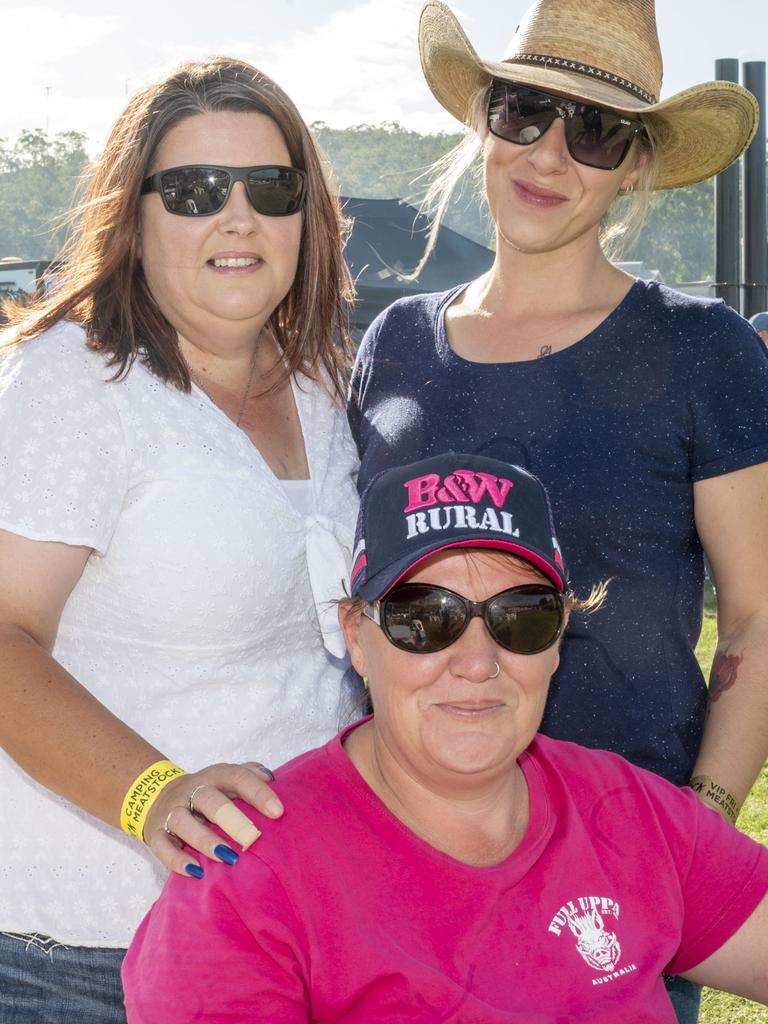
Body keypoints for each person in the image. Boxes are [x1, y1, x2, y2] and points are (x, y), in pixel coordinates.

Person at [347, 5, 768, 1018]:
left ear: (636, 167)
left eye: (597, 132)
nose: (550, 154)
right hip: (400, 873)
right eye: (525, 110)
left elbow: (758, 616)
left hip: (619, 885)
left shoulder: (700, 349)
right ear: (485, 121)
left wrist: (693, 825)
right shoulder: (396, 343)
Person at [122, 453, 768, 1023]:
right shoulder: (251, 871)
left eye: (522, 616)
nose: (478, 662)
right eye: (426, 619)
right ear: (356, 635)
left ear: (559, 636)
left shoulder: (627, 812)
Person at [0, 57, 359, 1021]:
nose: (237, 218)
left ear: (307, 213)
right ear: (137, 216)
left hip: (285, 934)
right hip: (87, 953)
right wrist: (150, 796)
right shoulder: (79, 385)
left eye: (270, 188)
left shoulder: (323, 380)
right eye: (196, 190)